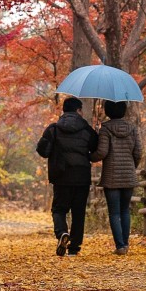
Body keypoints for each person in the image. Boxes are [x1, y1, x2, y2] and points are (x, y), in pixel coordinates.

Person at [36, 97, 98, 256]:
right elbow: (96, 147)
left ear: (64, 111)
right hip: (81, 176)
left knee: (59, 209)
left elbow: (43, 151)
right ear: (78, 110)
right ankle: (74, 247)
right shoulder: (87, 130)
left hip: (61, 175)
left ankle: (62, 233)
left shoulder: (53, 129)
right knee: (78, 212)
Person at [90, 100, 141, 255]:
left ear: (107, 111)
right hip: (128, 175)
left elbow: (102, 152)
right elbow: (138, 152)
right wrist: (132, 167)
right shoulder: (132, 128)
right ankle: (125, 244)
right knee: (125, 210)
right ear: (124, 110)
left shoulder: (106, 128)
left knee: (114, 212)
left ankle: (119, 246)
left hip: (111, 177)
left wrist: (90, 156)